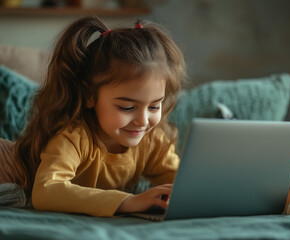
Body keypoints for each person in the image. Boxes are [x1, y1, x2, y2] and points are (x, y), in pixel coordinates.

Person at [13, 16, 186, 217]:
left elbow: (185, 185)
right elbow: (45, 191)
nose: (143, 121)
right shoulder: (74, 138)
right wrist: (128, 202)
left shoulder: (152, 141)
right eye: (127, 107)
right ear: (89, 96)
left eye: (154, 106)